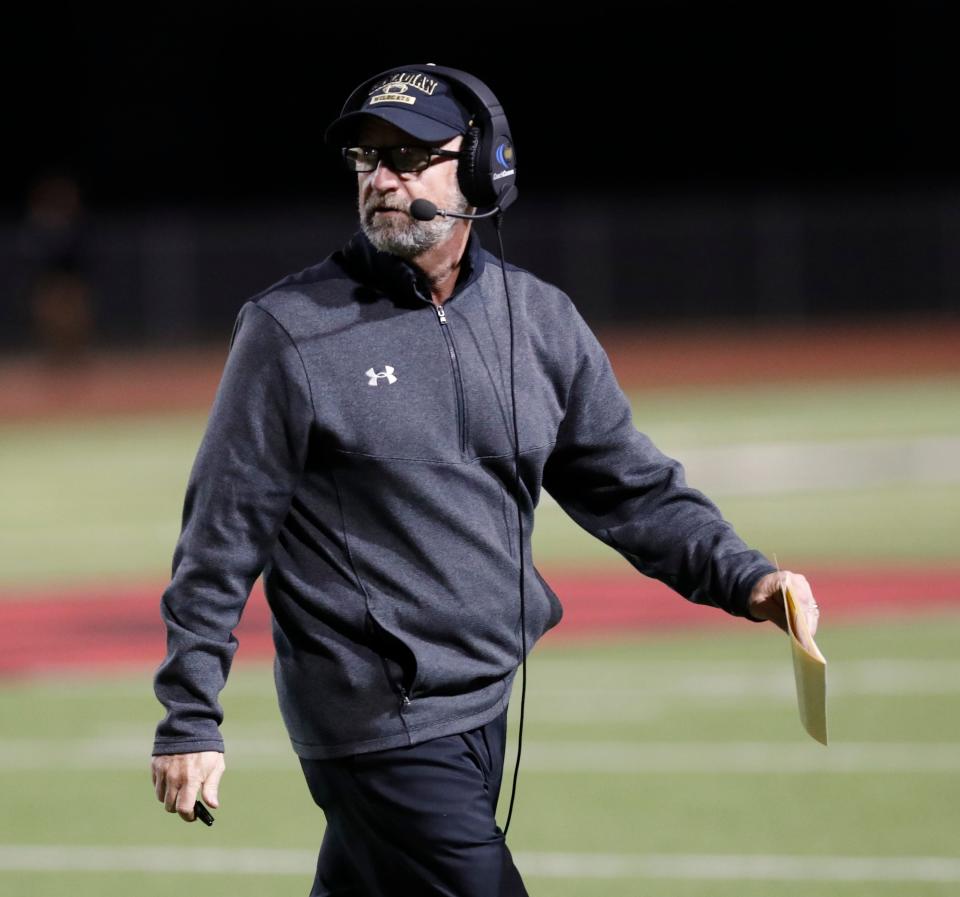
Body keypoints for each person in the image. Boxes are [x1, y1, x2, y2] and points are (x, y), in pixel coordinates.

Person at [150, 63, 820, 897]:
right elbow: (220, 537)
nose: (383, 177)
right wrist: (190, 716)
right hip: (376, 723)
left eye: (411, 155)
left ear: (480, 170)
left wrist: (747, 577)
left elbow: (629, 485)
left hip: (482, 703)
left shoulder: (536, 320)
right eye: (368, 157)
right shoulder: (288, 331)